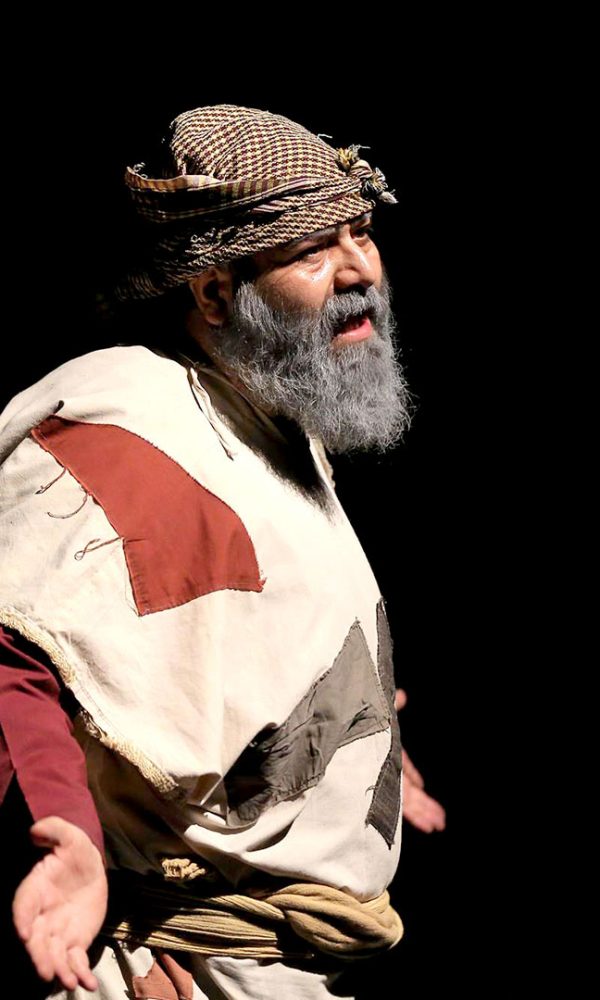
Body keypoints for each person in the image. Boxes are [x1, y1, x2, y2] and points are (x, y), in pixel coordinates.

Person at [0, 103, 444, 999]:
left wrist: (348, 738)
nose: (359, 270)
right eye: (311, 251)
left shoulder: (270, 420)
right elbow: (17, 649)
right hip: (181, 970)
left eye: (360, 233)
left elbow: (220, 648)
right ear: (212, 293)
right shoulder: (123, 433)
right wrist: (66, 830)